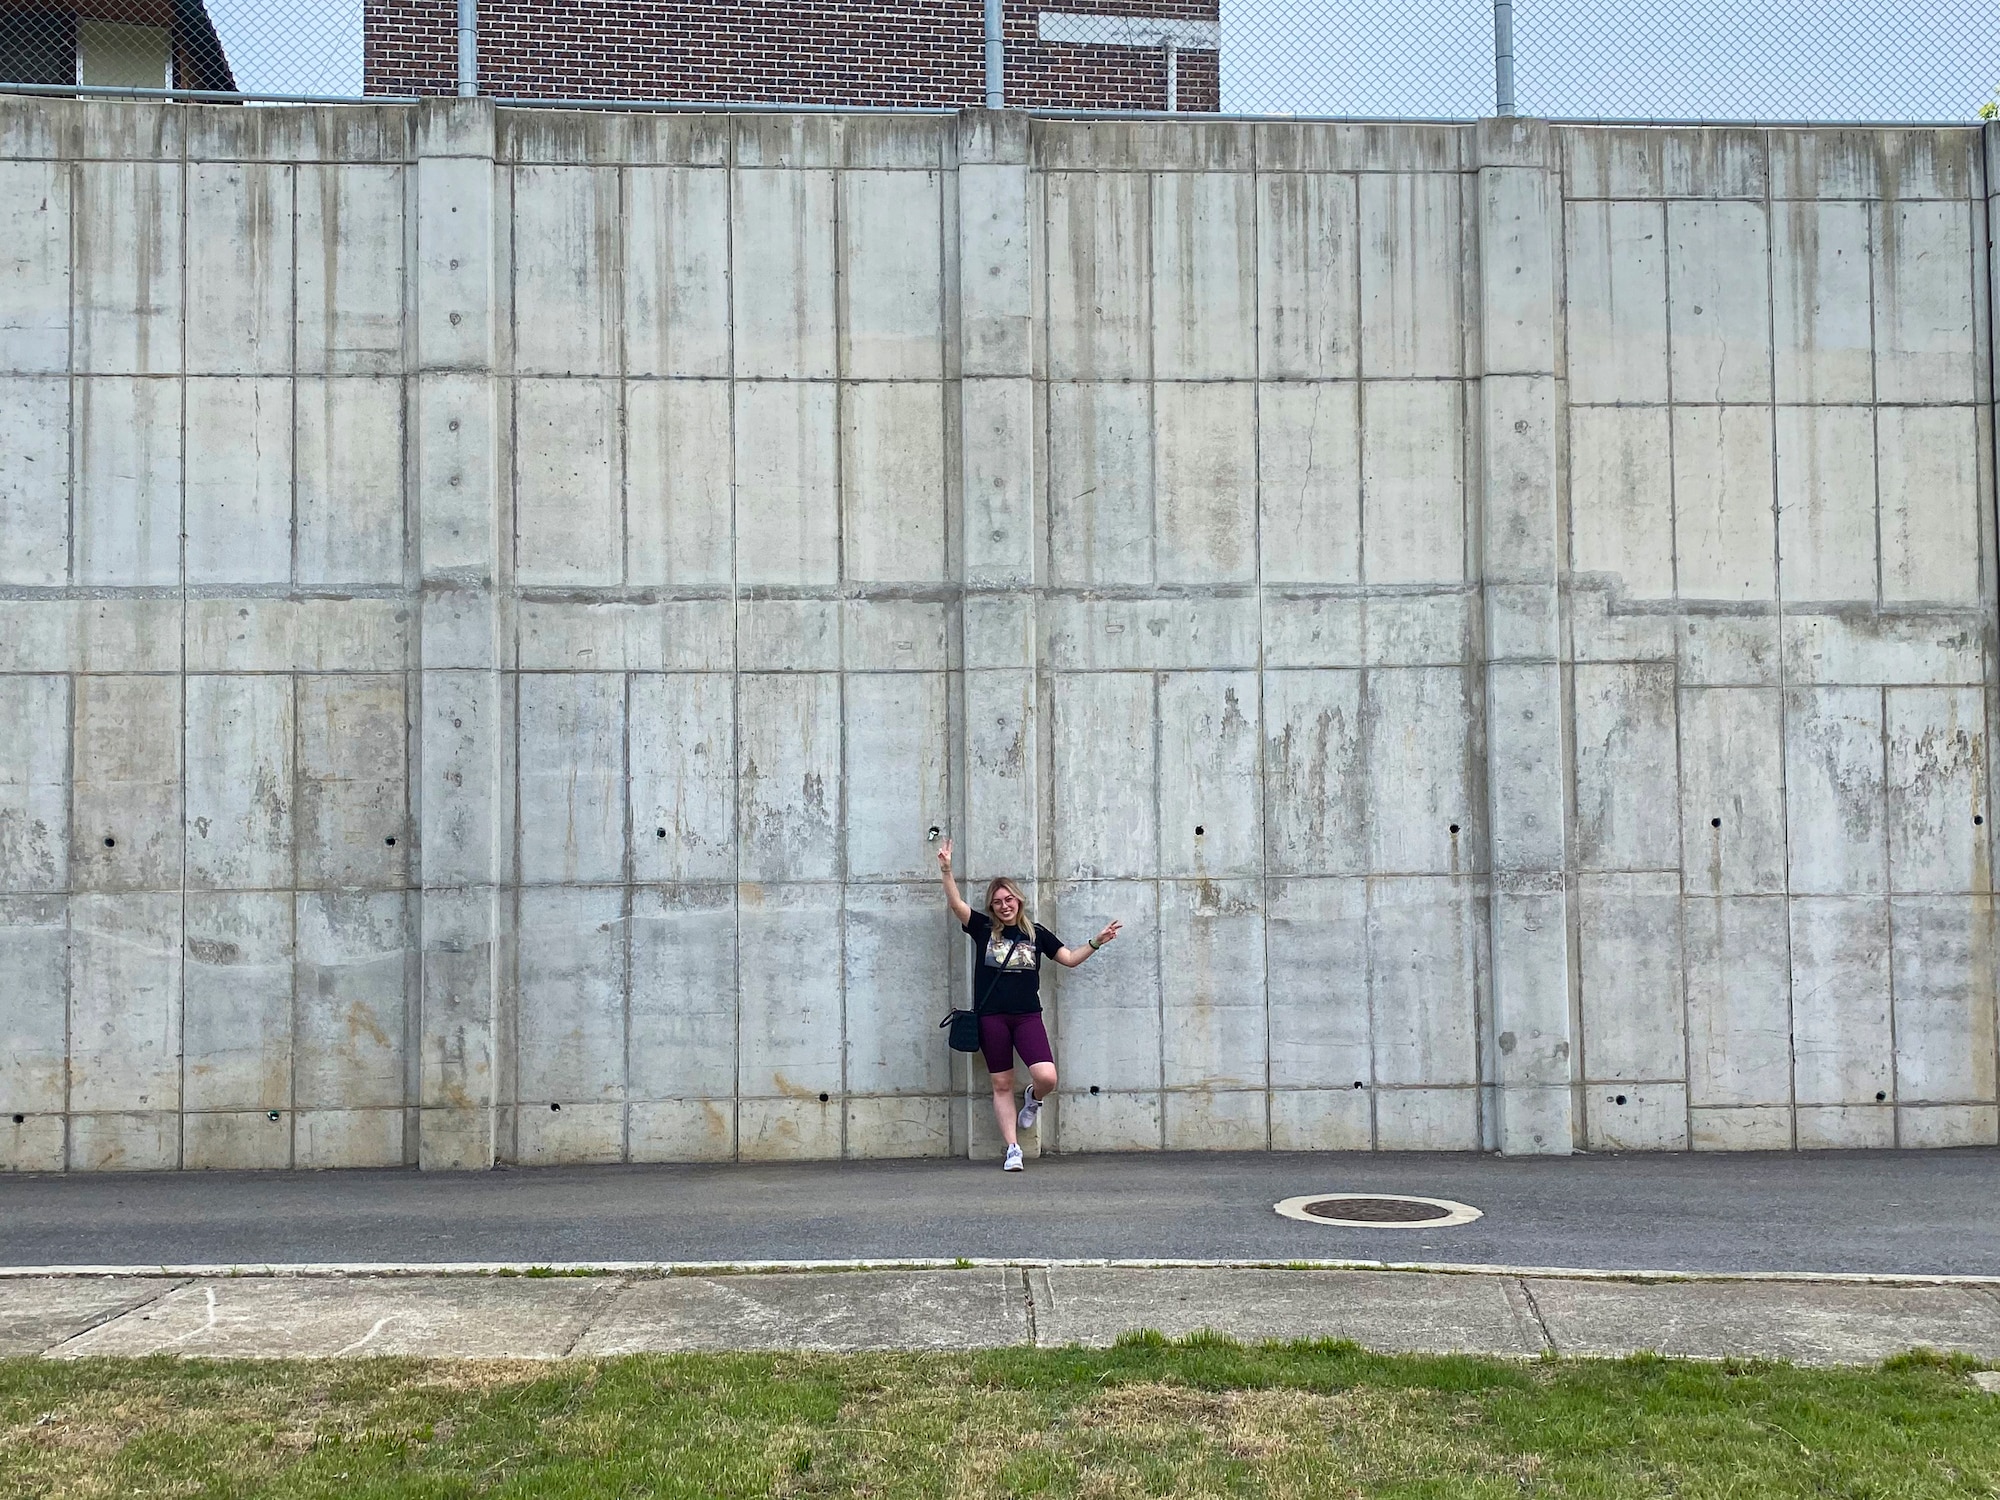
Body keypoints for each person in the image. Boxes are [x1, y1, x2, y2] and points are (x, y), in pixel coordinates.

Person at [936, 838, 1121, 1172]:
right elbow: (956, 905)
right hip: (991, 1019)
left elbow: (1068, 959)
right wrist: (947, 870)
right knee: (1001, 1084)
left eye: (1009, 899)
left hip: (1026, 1018)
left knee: (1046, 1076)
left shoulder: (1036, 934)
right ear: (992, 908)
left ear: (1018, 900)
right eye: (997, 903)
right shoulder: (983, 930)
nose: (1004, 906)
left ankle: (1034, 1099)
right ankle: (1012, 1149)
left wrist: (1097, 941)